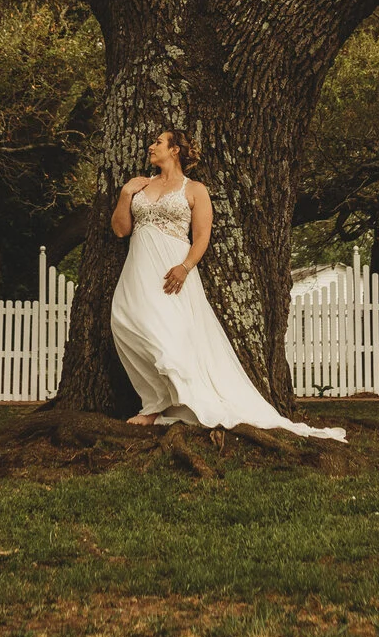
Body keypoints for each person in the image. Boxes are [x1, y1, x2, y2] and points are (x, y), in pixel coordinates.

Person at [109, 128, 346, 441]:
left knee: (168, 336)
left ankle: (159, 405)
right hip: (138, 268)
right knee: (124, 323)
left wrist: (185, 267)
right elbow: (120, 230)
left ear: (175, 150)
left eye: (158, 142)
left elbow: (203, 236)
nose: (150, 147)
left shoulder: (194, 189)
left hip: (173, 272)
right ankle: (157, 399)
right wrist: (126, 194)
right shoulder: (141, 185)